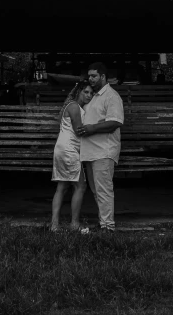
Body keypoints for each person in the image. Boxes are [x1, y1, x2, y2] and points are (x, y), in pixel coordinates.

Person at [77, 62, 124, 232]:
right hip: (90, 151)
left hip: (104, 151)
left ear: (103, 77)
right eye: (89, 76)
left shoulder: (111, 96)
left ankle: (108, 227)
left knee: (104, 190)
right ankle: (103, 223)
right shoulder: (92, 96)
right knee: (96, 190)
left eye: (94, 76)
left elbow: (115, 122)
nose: (91, 79)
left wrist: (93, 128)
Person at [50, 81, 93, 232]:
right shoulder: (74, 106)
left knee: (62, 187)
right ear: (78, 92)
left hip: (62, 148)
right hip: (69, 149)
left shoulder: (72, 106)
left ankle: (54, 225)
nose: (89, 95)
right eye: (86, 92)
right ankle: (74, 223)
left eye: (91, 93)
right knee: (80, 186)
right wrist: (96, 128)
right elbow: (78, 131)